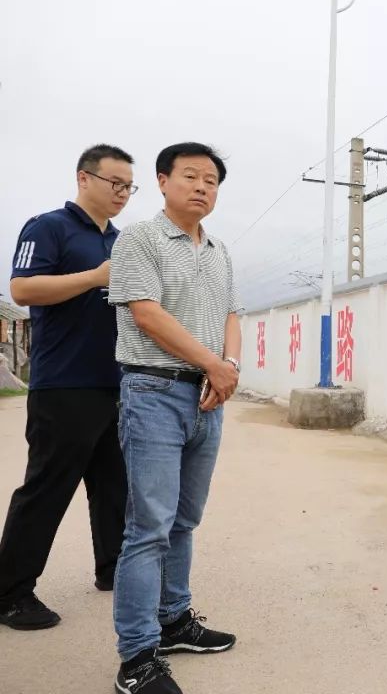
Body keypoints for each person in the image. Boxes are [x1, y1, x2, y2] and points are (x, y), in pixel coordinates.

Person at [108, 142, 243, 694]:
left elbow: (232, 313)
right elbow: (146, 314)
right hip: (153, 392)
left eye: (211, 180)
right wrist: (214, 364)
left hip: (207, 397)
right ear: (163, 181)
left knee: (184, 521)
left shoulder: (219, 250)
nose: (202, 187)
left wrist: (228, 367)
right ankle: (137, 658)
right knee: (148, 528)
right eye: (190, 176)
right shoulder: (139, 239)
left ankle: (173, 621)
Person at [0, 145, 135, 631]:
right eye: (115, 183)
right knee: (48, 488)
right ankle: (10, 593)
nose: (123, 193)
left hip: (113, 382)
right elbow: (23, 289)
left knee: (114, 485)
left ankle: (113, 569)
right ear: (84, 178)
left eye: (129, 187)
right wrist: (94, 277)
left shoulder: (121, 240)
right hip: (63, 383)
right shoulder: (49, 227)